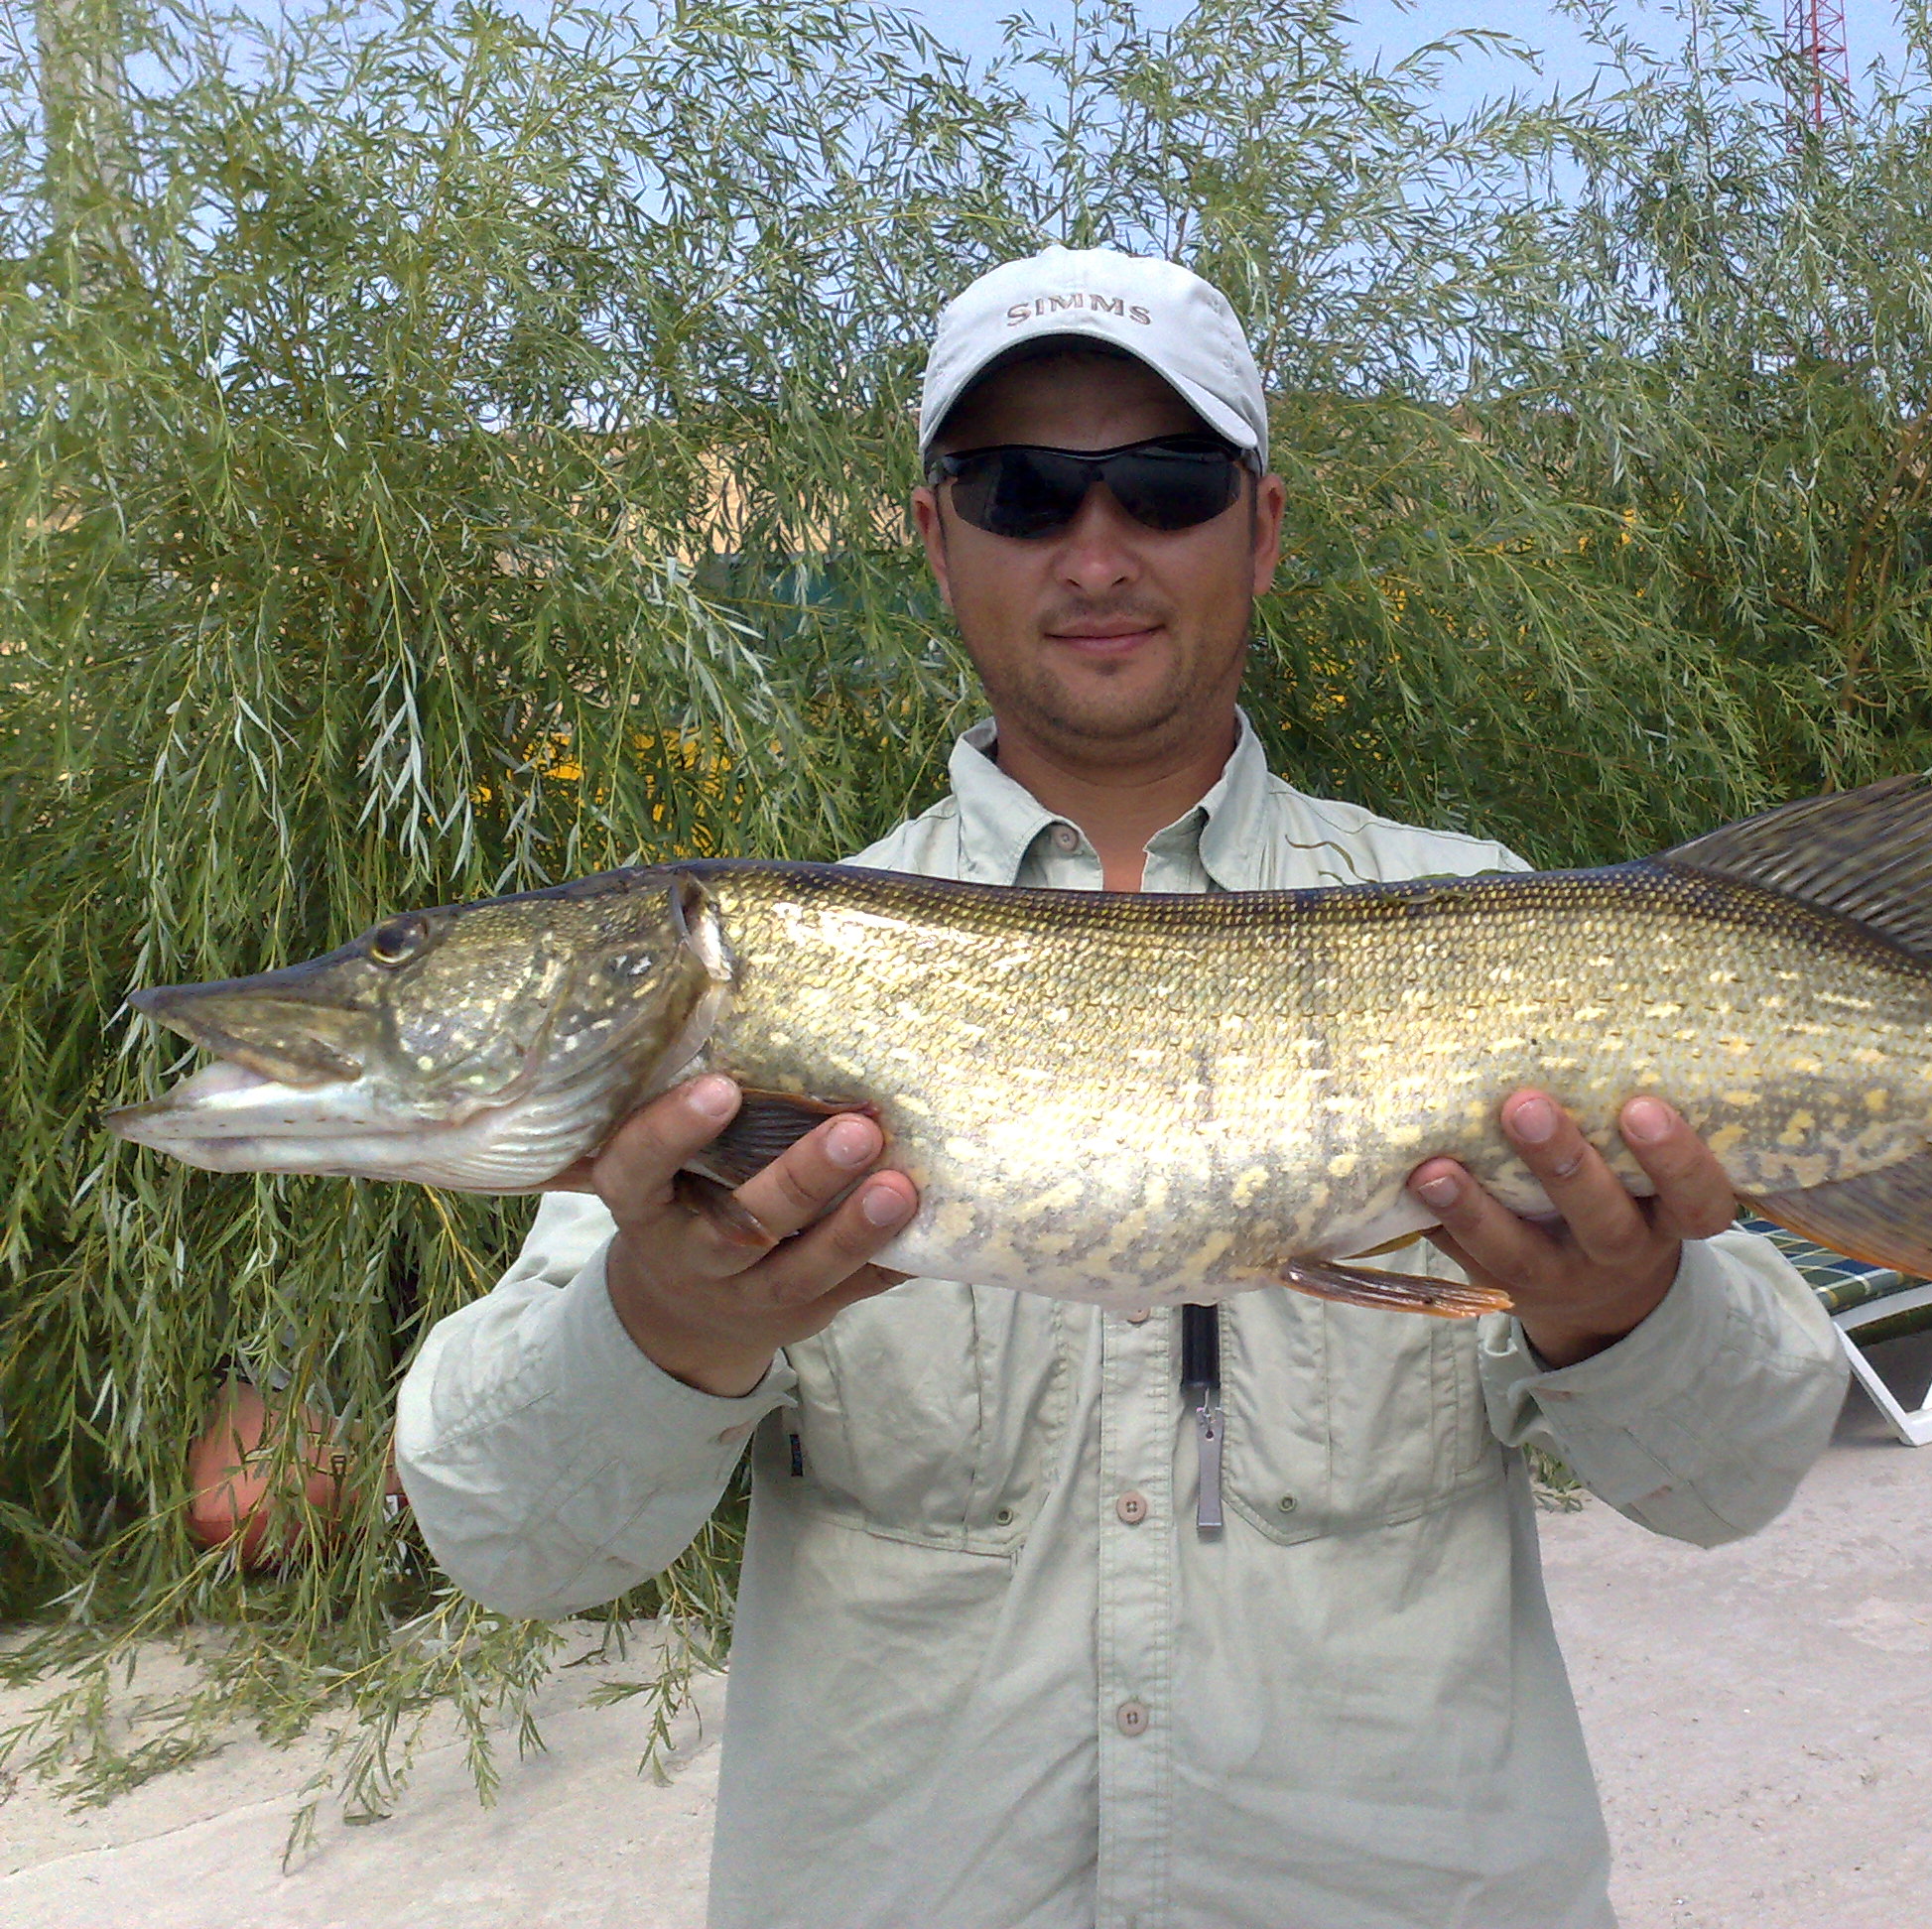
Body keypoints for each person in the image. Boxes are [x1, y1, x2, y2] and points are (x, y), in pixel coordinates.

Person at [396, 245, 1849, 1929]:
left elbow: (1734, 1476)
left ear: (1263, 528)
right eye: (1021, 491)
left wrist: (1623, 1312)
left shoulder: (1496, 919)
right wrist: (667, 1322)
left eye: (1164, 484)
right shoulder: (764, 987)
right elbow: (517, 1542)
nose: (1096, 553)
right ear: (938, 538)